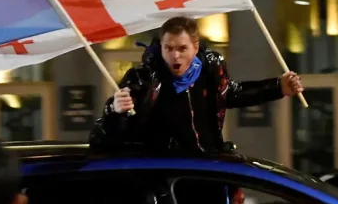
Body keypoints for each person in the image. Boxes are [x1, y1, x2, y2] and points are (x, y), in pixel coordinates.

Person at [89, 16, 305, 153]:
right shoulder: (143, 78)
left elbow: (231, 94)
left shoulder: (210, 70)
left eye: (182, 49)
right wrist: (114, 110)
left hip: (204, 165)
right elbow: (107, 136)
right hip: (162, 172)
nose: (175, 56)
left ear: (195, 47)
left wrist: (278, 87)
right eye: (168, 48)